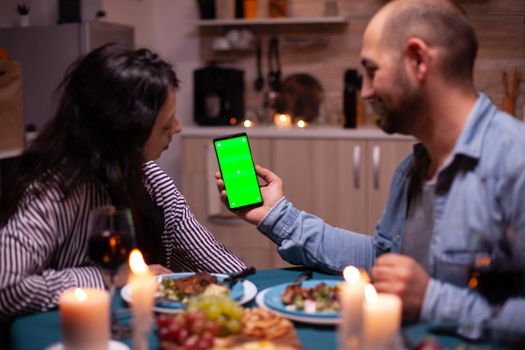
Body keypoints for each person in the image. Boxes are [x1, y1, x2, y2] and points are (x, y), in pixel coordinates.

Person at [216, 0, 525, 341]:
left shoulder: (515, 164)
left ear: (418, 60)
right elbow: (380, 260)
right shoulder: (412, 170)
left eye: (371, 70)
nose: (363, 92)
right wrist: (276, 215)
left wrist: (434, 301)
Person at [0, 43, 245, 319]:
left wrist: (249, 285)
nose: (178, 127)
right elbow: (7, 286)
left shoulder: (153, 179)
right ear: (124, 133)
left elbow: (212, 257)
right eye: (166, 124)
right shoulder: (54, 191)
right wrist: (113, 278)